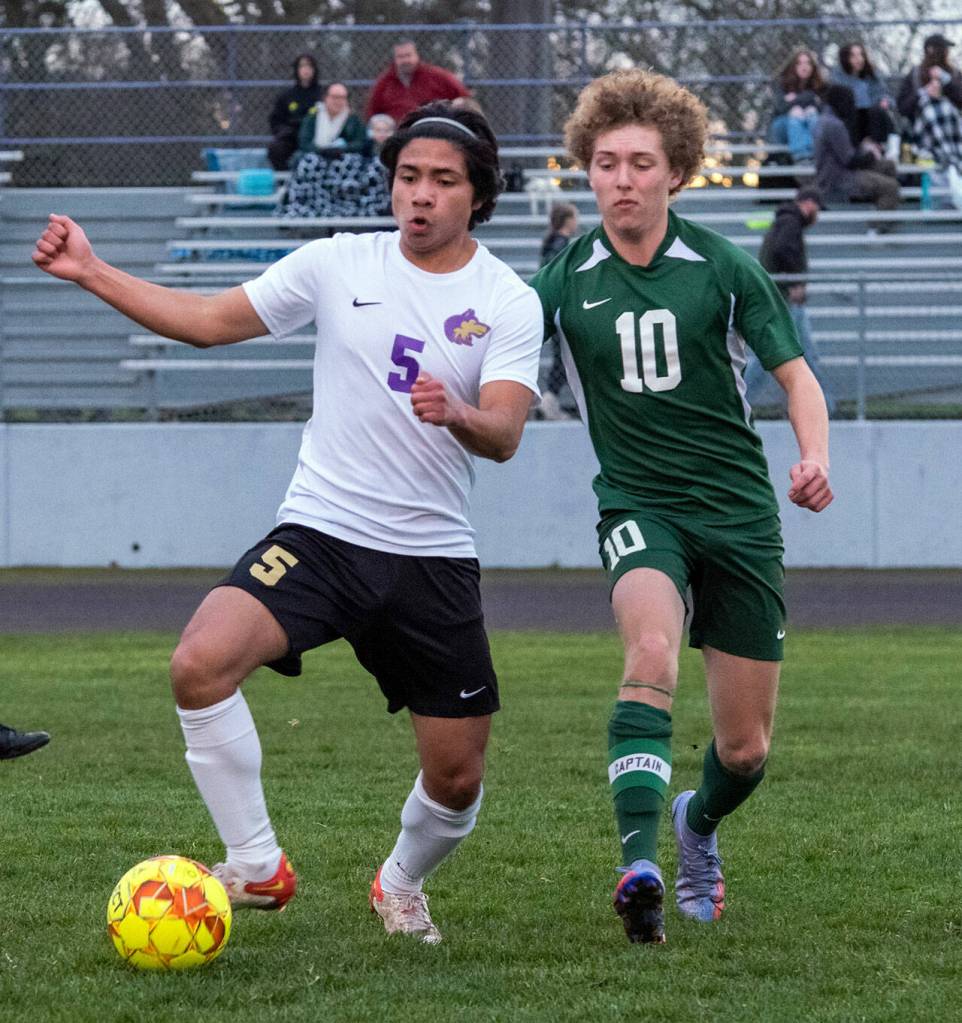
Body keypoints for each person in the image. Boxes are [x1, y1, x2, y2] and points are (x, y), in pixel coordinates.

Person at [32, 101, 543, 945]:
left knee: (456, 779)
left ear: (478, 195)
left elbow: (506, 432)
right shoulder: (337, 262)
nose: (419, 195)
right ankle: (258, 862)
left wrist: (457, 411)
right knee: (199, 663)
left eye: (443, 181)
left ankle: (400, 882)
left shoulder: (507, 300)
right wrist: (91, 270)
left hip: (430, 557)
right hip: (321, 534)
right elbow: (207, 324)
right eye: (408, 177)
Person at [530, 68, 833, 945]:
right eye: (606, 163)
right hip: (638, 505)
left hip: (738, 515)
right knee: (651, 651)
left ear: (677, 171)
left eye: (641, 163)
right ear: (587, 170)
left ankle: (696, 824)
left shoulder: (724, 268)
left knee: (745, 750)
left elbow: (797, 378)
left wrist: (814, 456)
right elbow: (483, 352)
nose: (622, 179)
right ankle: (640, 868)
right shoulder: (560, 281)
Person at [745, 186, 837, 417]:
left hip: (778, 298)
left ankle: (739, 402)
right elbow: (782, 249)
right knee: (800, 353)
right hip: (784, 300)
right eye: (817, 208)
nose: (817, 215)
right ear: (808, 204)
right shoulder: (791, 222)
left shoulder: (785, 220)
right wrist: (795, 282)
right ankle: (824, 406)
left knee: (780, 355)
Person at [814, 84, 900, 217]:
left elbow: (846, 151)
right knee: (891, 187)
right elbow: (850, 161)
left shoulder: (828, 119)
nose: (853, 106)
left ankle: (883, 207)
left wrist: (864, 148)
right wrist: (871, 155)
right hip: (838, 178)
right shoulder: (834, 125)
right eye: (851, 101)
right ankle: (877, 226)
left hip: (842, 171)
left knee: (888, 166)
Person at [896, 33, 962, 205]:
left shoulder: (953, 74)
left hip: (954, 137)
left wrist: (946, 81)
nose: (946, 53)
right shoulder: (915, 75)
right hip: (924, 139)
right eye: (943, 49)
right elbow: (903, 108)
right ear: (931, 50)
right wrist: (924, 92)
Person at [538, 203, 579, 420]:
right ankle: (550, 401)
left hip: (556, 306)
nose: (577, 222)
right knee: (564, 357)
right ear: (568, 220)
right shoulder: (562, 246)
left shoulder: (552, 243)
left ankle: (550, 401)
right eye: (574, 217)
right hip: (563, 307)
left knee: (561, 357)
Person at [366, 40, 469, 125]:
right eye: (400, 56)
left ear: (417, 55)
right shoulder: (384, 82)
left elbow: (464, 99)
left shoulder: (437, 76)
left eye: (408, 55)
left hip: (433, 131)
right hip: (398, 136)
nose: (405, 60)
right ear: (394, 59)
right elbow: (372, 114)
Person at [831, 42, 898, 156]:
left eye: (861, 55)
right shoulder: (838, 77)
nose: (859, 59)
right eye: (853, 56)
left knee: (878, 112)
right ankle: (868, 148)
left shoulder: (873, 75)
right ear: (845, 58)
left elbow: (886, 95)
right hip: (851, 117)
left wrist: (885, 100)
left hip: (872, 115)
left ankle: (884, 148)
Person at [768, 48, 826, 161]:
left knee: (812, 114)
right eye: (799, 63)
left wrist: (795, 100)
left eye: (808, 63)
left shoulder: (821, 84)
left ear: (813, 66)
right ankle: (802, 157)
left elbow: (824, 109)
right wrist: (809, 101)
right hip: (783, 126)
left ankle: (816, 156)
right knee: (796, 115)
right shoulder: (781, 82)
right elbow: (781, 107)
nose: (804, 67)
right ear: (793, 66)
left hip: (812, 121)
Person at [267, 54, 323, 172]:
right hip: (292, 137)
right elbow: (275, 120)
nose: (306, 70)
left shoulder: (323, 95)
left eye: (309, 66)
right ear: (296, 70)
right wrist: (284, 131)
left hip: (316, 137)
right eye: (302, 66)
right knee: (276, 149)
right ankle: (285, 178)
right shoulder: (287, 96)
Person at [292, 82, 367, 165]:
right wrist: (323, 151)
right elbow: (304, 142)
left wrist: (341, 149)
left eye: (343, 98)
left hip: (343, 157)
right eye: (335, 97)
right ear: (325, 98)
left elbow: (359, 143)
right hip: (316, 155)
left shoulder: (353, 119)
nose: (339, 101)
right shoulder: (312, 117)